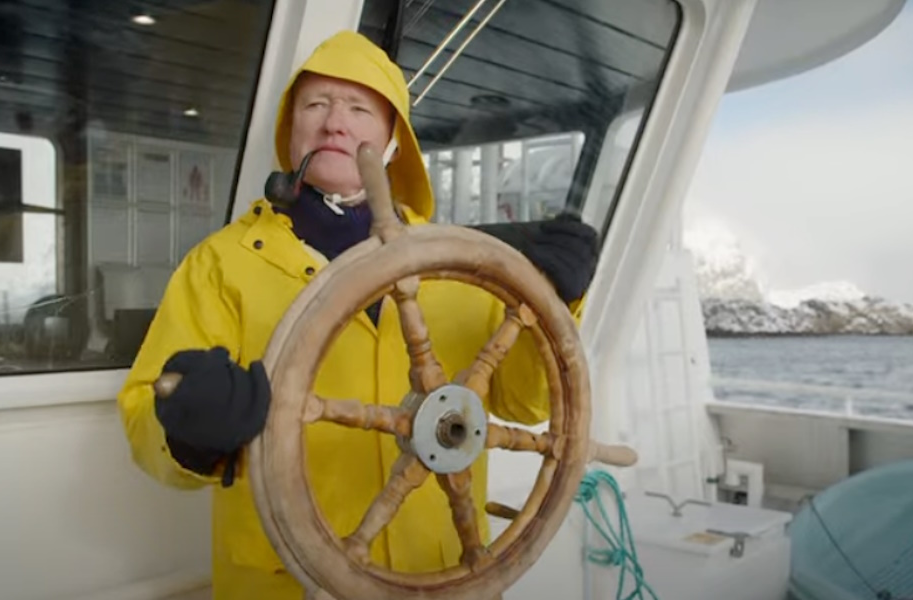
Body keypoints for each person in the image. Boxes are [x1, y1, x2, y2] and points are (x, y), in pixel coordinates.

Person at [116, 30, 598, 600]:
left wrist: (555, 303)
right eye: (315, 105)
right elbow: (144, 411)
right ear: (291, 133)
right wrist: (188, 435)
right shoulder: (220, 265)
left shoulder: (460, 262)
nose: (334, 123)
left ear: (395, 141)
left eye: (359, 108)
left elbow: (526, 401)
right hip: (283, 582)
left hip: (438, 574)